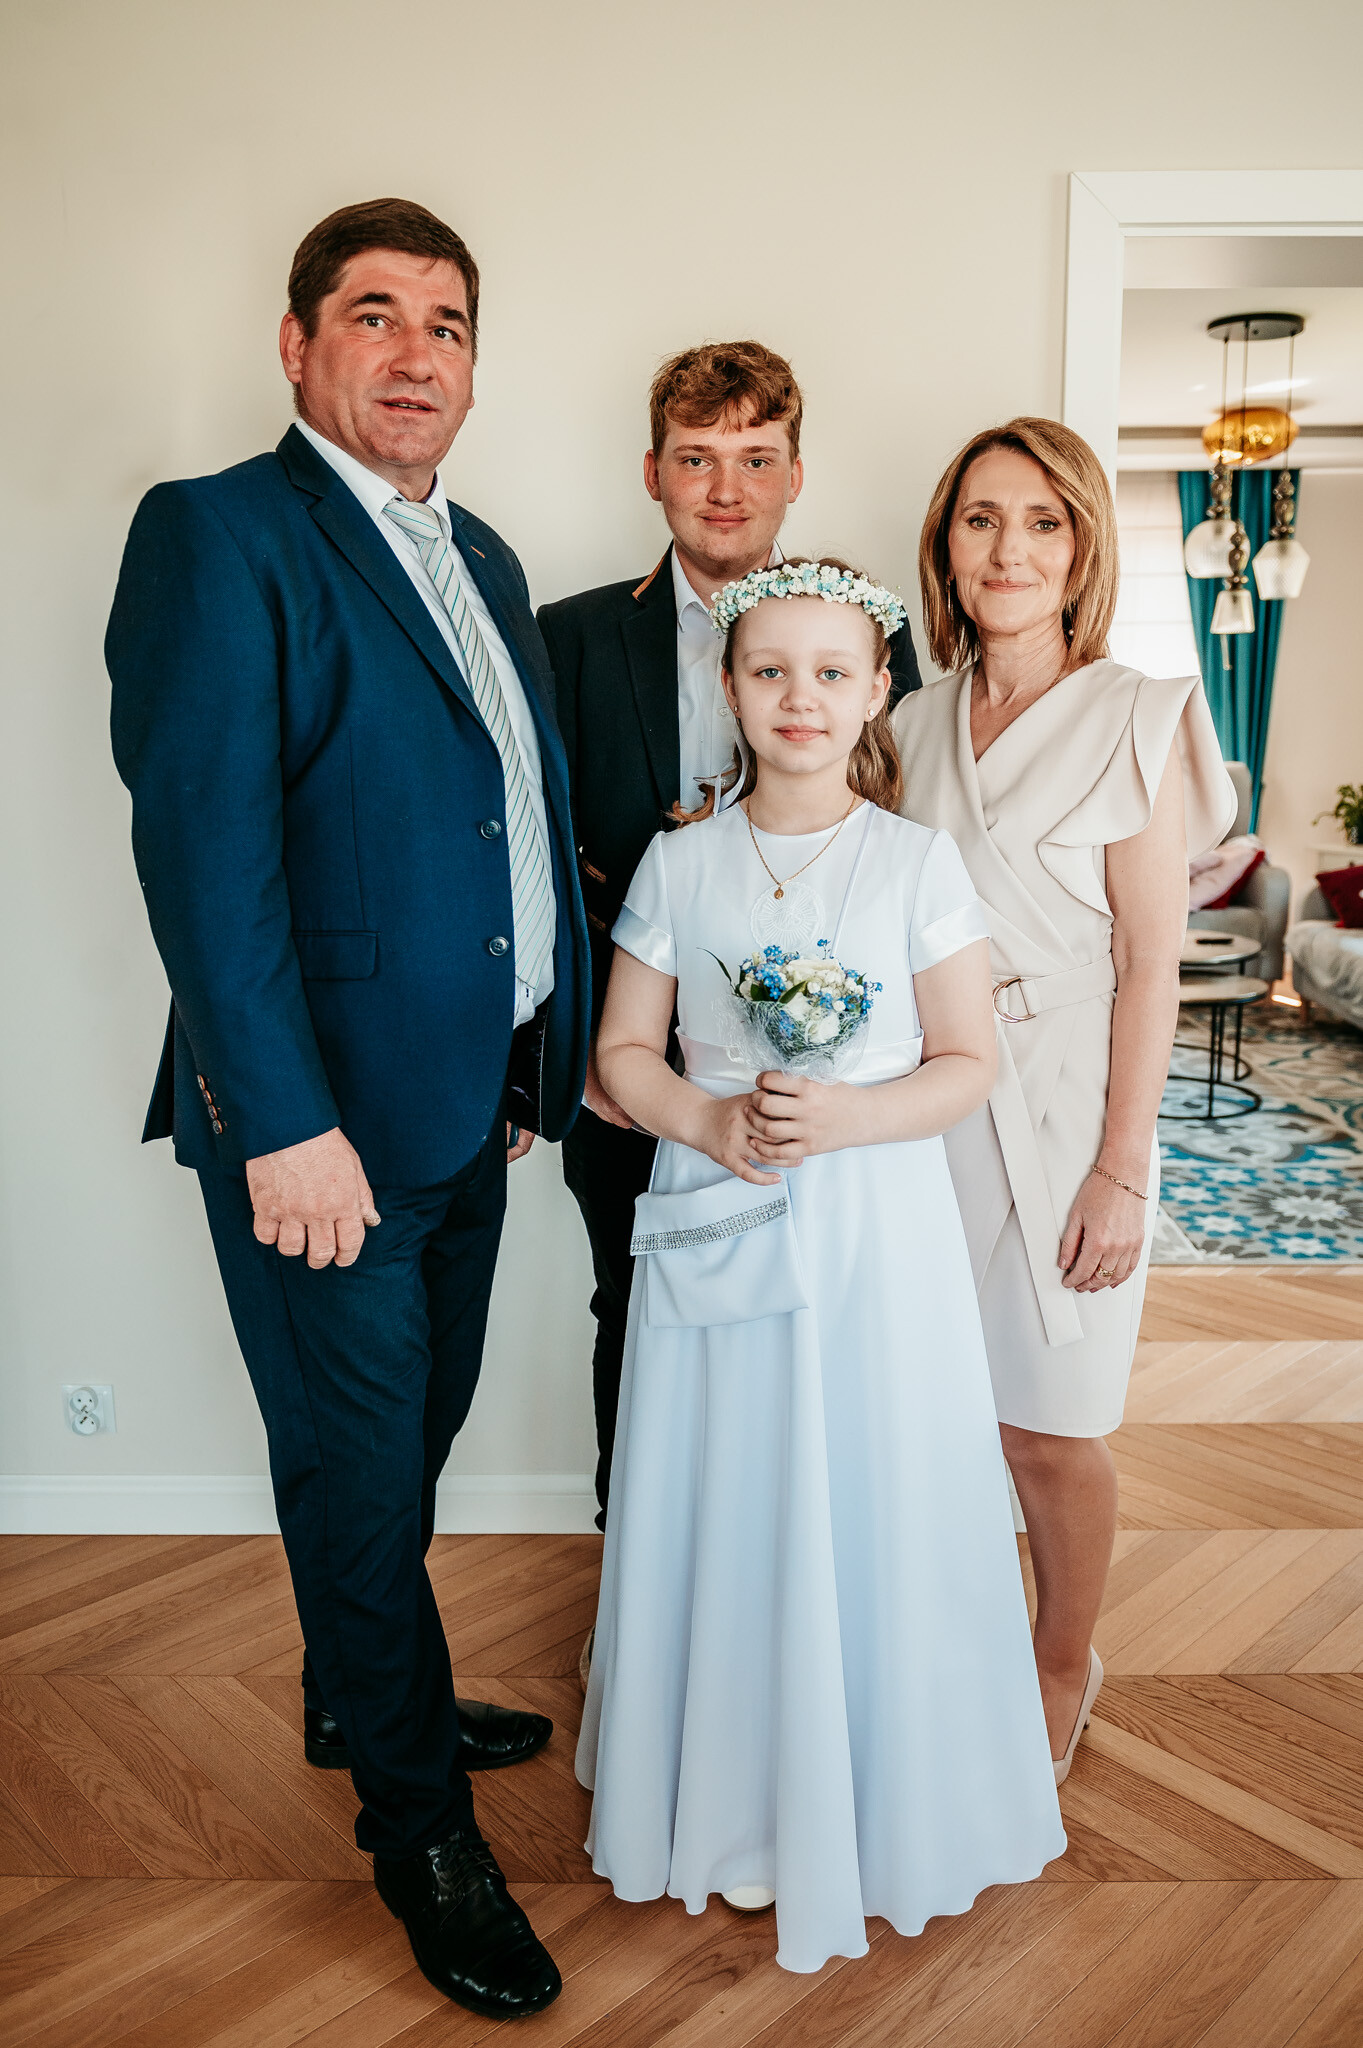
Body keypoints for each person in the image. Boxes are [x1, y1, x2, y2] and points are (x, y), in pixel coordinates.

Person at [106, 198, 590, 2021]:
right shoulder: (219, 533)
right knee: (359, 1462)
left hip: (469, 1107)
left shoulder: (484, 552)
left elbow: (497, 821)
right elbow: (205, 858)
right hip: (318, 1132)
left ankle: (352, 1686)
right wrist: (281, 1122)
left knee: (409, 1436)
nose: (414, 353)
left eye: (446, 324)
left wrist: (529, 1058)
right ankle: (417, 1830)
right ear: (298, 343)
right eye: (374, 314)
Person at [574, 559, 1065, 1973]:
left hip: (873, 1228)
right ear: (728, 688)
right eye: (770, 670)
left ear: (874, 692)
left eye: (831, 671)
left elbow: (966, 1059)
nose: (801, 696)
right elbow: (622, 1052)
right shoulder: (679, 863)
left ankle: (883, 1796)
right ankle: (730, 1804)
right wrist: (705, 1119)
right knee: (730, 1482)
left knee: (871, 1479)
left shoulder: (914, 863)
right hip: (720, 1203)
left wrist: (845, 1116)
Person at [539, 344, 922, 1557]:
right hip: (633, 1068)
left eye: (756, 459)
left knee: (836, 1327)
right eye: (696, 458)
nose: (724, 487)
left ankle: (812, 1575)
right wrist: (577, 1047)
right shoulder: (569, 637)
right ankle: (645, 1583)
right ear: (652, 471)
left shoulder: (872, 637)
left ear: (794, 475)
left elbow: (892, 837)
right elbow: (531, 859)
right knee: (641, 1307)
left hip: (840, 1081)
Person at [895, 419, 1235, 1784]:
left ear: (1082, 548)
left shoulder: (1138, 714)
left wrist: (1121, 1166)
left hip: (1068, 1099)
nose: (1009, 550)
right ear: (945, 546)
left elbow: (1151, 963)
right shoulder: (904, 722)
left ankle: (1057, 1660)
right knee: (943, 1413)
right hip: (932, 1105)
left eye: (1042, 521)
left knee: (1048, 1422)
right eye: (981, 519)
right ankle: (958, 1642)